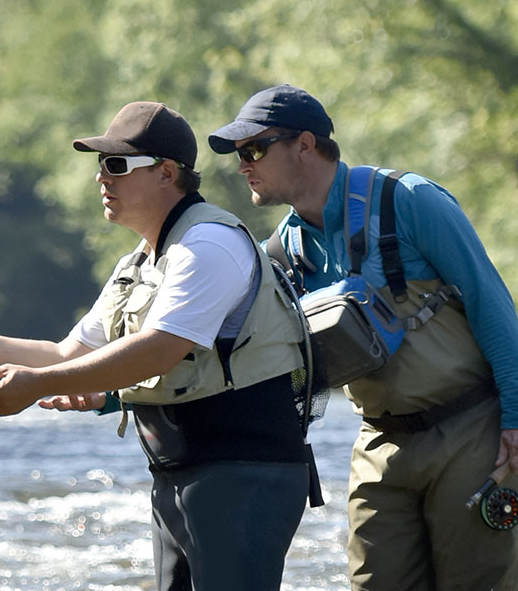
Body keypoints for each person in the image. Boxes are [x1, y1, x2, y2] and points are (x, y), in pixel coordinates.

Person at [0, 100, 312, 591]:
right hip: (178, 477)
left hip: (241, 477)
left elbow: (158, 349)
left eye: (117, 165)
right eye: (101, 165)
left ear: (168, 174)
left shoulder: (207, 244)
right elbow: (68, 355)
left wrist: (32, 387)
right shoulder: (139, 263)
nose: (102, 178)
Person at [207, 83, 518, 591]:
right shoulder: (280, 252)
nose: (243, 164)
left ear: (305, 144)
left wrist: (516, 420)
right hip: (378, 442)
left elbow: (493, 306)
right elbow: (244, 356)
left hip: (470, 432)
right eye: (240, 154)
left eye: (254, 149)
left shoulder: (410, 201)